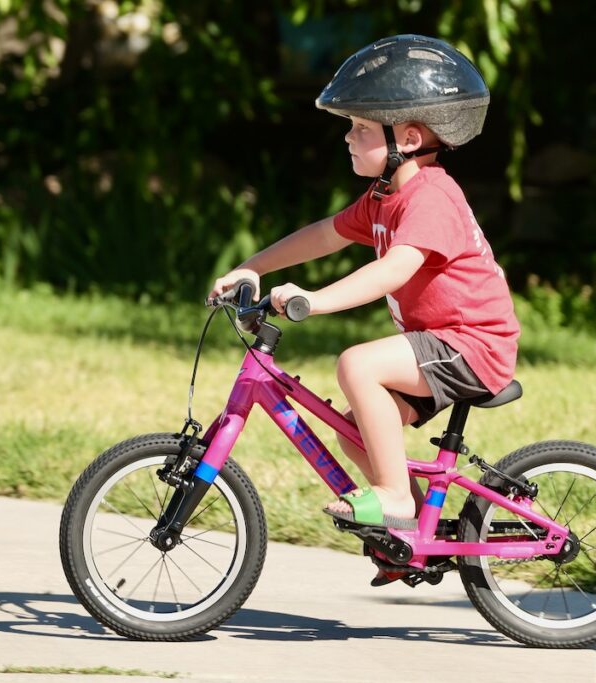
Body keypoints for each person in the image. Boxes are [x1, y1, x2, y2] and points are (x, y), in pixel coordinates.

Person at [208, 34, 519, 536]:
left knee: (358, 363)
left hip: (472, 346)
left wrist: (316, 300)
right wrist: (253, 267)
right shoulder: (382, 196)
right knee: (353, 433)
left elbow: (394, 270)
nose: (348, 137)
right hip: (438, 344)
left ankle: (395, 498)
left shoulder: (432, 196)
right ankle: (413, 534)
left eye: (360, 127)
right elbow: (324, 235)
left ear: (410, 139)